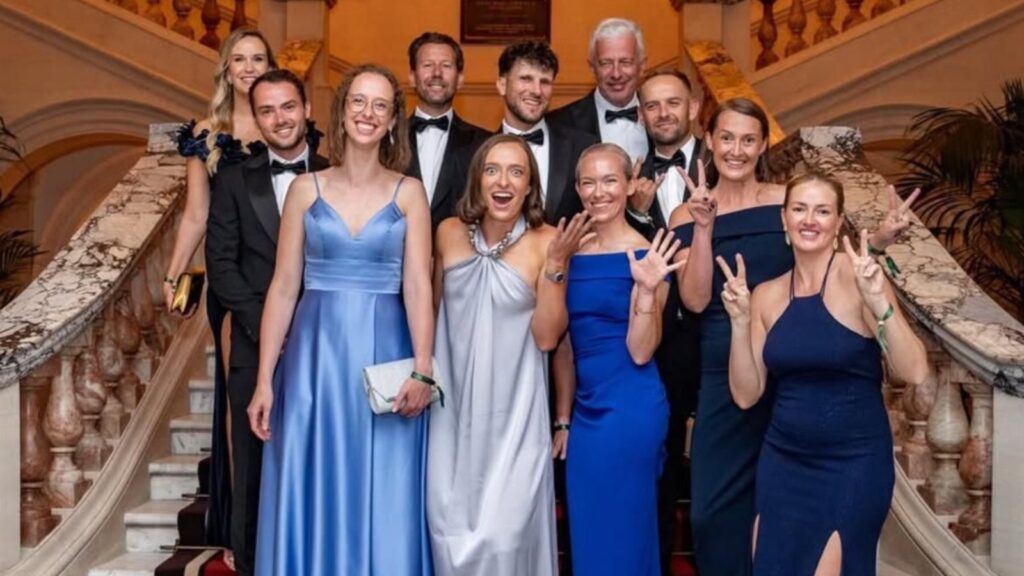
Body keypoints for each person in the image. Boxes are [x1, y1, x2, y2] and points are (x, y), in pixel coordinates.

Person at [669, 98, 919, 575]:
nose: (737, 149)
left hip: (797, 359)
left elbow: (827, 251)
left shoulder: (787, 199)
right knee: (711, 515)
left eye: (748, 139)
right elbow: (696, 300)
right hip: (732, 359)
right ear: (709, 141)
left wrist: (879, 243)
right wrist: (703, 228)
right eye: (727, 138)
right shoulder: (687, 212)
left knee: (797, 521)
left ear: (764, 145)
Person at [247, 64, 434, 575]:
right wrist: (264, 379)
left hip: (387, 353)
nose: (367, 113)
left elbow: (419, 285)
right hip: (314, 358)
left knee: (386, 481)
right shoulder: (304, 190)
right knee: (313, 473)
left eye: (380, 105)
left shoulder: (409, 193)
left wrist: (423, 367)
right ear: (342, 110)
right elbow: (284, 287)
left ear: (392, 120)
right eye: (358, 101)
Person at [717, 172, 928, 575]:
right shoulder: (766, 294)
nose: (809, 220)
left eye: (822, 211)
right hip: (783, 460)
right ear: (784, 218)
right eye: (799, 209)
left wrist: (879, 303)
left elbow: (915, 371)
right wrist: (740, 323)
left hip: (854, 463)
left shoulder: (859, 277)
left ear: (838, 221)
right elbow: (746, 394)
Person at [428, 134, 590, 576]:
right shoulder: (447, 233)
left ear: (529, 186)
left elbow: (550, 338)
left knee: (505, 537)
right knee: (445, 532)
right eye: (493, 170)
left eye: (516, 172)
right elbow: (434, 316)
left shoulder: (548, 241)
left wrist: (556, 266)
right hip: (450, 414)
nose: (503, 182)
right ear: (477, 180)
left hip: (515, 414)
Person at [205, 68, 328, 576]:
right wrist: (269, 330)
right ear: (255, 120)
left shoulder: (336, 175)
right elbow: (221, 266)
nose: (280, 118)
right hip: (256, 343)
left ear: (307, 110)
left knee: (321, 462)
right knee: (253, 469)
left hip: (326, 343)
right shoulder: (234, 180)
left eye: (288, 106)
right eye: (267, 110)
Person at [169, 27, 276, 567]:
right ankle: (242, 531)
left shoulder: (288, 123)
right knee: (242, 402)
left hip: (284, 276)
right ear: (226, 70)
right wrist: (174, 272)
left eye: (258, 58)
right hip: (232, 283)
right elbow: (196, 214)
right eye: (240, 59)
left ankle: (285, 516)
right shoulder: (207, 134)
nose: (249, 67)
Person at [552, 143, 680, 576]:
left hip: (630, 409)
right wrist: (563, 419)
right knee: (589, 537)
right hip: (585, 412)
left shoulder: (650, 255)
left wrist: (645, 289)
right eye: (588, 182)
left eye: (610, 180)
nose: (598, 191)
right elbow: (564, 343)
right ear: (577, 189)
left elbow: (642, 350)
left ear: (629, 186)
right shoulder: (569, 251)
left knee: (624, 536)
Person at [632, 68, 704, 576]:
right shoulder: (630, 173)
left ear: (693, 108)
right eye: (653, 105)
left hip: (718, 333)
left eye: (673, 103)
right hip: (658, 340)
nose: (663, 113)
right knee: (659, 459)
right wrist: (638, 215)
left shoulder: (727, 164)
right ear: (641, 115)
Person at [496, 40, 598, 226]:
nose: (536, 91)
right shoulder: (476, 153)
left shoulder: (583, 147)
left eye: (545, 82)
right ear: (502, 85)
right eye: (526, 79)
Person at [405, 32, 491, 229]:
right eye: (427, 65)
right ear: (412, 77)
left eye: (446, 65)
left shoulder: (484, 144)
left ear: (460, 79)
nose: (437, 73)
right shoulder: (387, 139)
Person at [548, 18, 649, 163]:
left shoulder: (661, 117)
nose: (616, 74)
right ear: (592, 67)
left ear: (642, 65)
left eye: (625, 62)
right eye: (606, 63)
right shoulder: (558, 124)